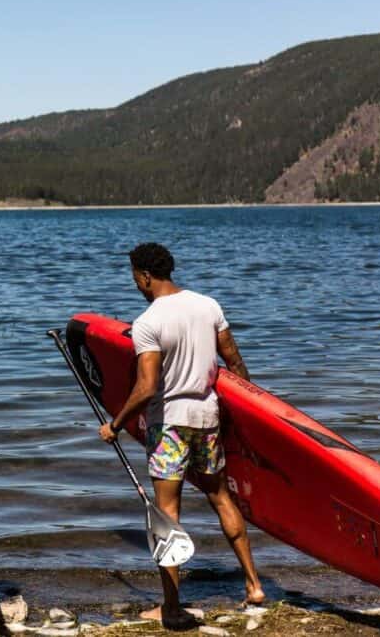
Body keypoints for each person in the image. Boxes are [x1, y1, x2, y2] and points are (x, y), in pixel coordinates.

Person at [98, 243, 264, 627]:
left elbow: (146, 387)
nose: (135, 283)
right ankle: (254, 585)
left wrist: (116, 424)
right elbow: (235, 362)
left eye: (134, 276)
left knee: (167, 515)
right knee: (220, 496)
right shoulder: (208, 306)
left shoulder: (148, 322)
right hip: (207, 417)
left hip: (170, 423)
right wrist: (249, 417)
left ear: (145, 276)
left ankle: (171, 606)